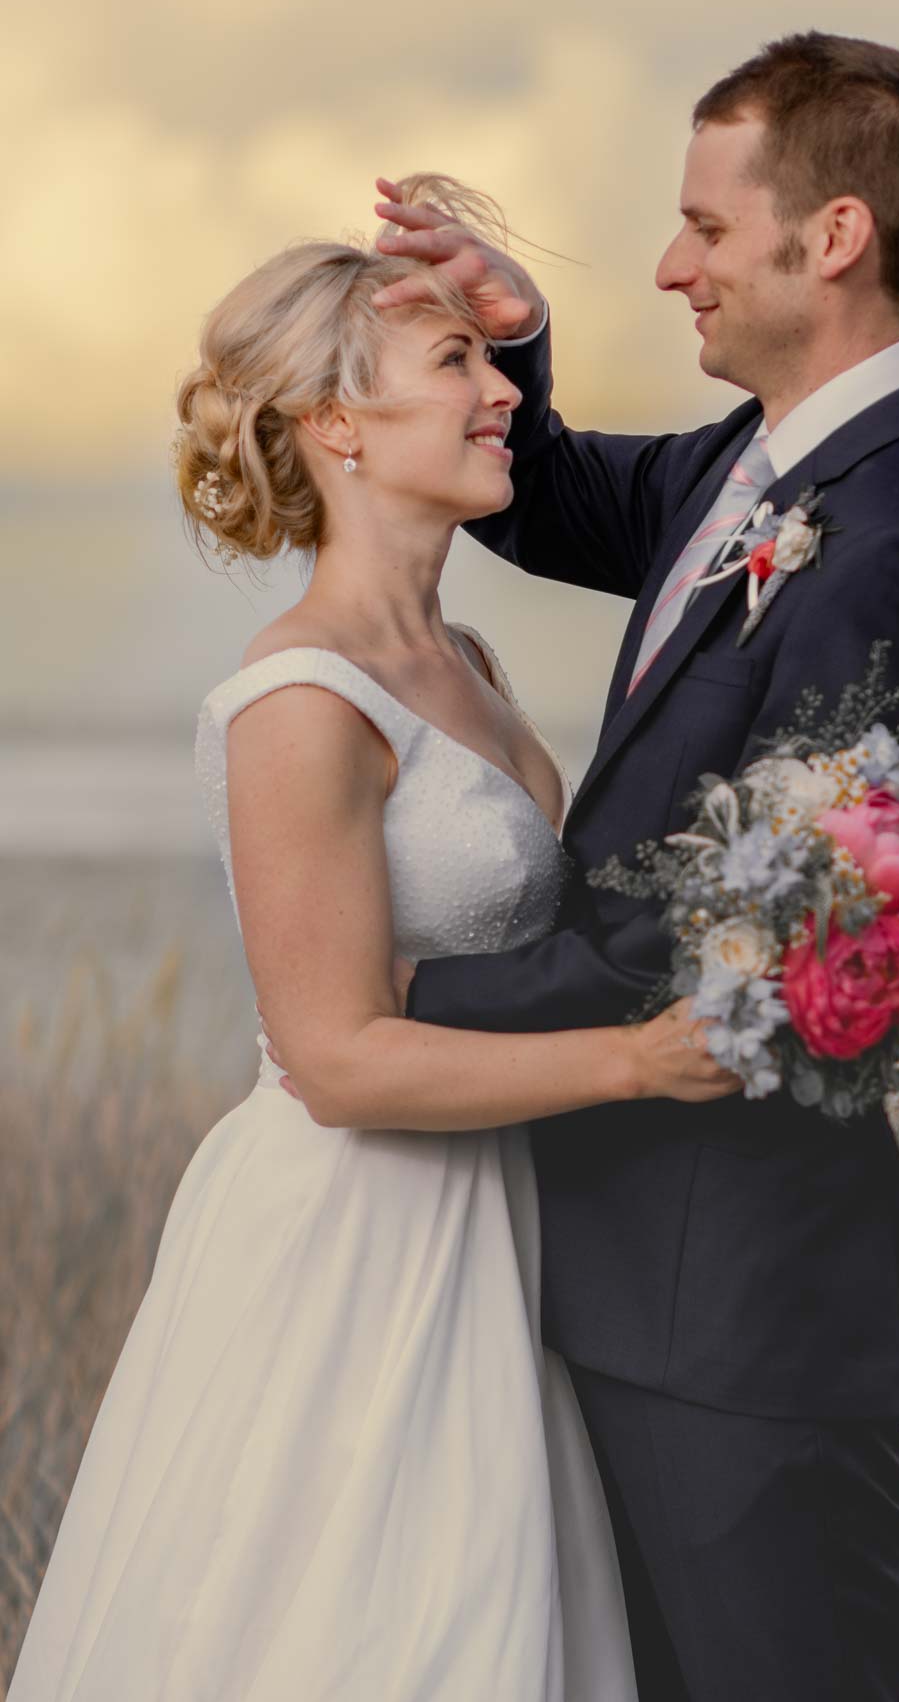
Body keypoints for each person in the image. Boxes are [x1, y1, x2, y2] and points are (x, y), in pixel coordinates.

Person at [8, 176, 740, 1702]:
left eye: (489, 364)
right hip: (357, 1245)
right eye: (457, 370)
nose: (501, 400)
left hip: (503, 1226)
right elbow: (336, 1056)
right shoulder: (300, 703)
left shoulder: (458, 658)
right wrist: (642, 1061)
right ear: (339, 428)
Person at [354, 32, 899, 1702]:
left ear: (837, 236)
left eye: (706, 231)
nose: (671, 266)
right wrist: (511, 339)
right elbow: (558, 497)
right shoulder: (758, 461)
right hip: (625, 1274)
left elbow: (743, 935)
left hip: (737, 1319)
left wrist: (387, 1018)